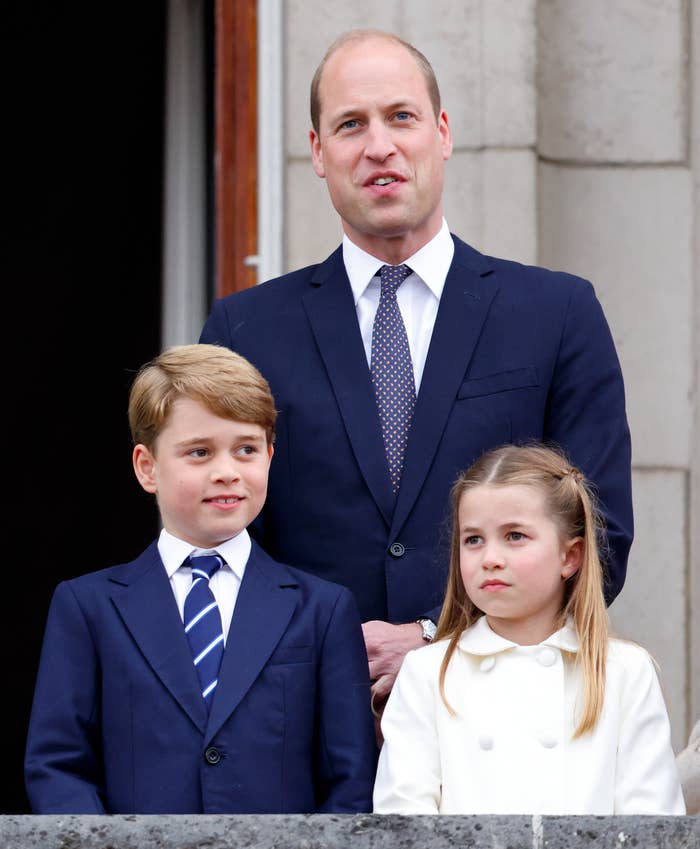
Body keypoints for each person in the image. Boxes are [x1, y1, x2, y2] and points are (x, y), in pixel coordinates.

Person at [199, 28, 633, 720]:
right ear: (317, 151)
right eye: (350, 125)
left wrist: (438, 638)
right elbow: (216, 545)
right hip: (305, 734)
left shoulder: (557, 314)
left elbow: (598, 537)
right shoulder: (245, 330)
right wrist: (336, 650)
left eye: (400, 117)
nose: (379, 146)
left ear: (442, 132)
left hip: (504, 725)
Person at [24, 343, 377, 814]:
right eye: (199, 452)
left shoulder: (323, 609)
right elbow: (58, 766)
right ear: (147, 467)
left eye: (246, 449)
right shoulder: (87, 607)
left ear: (271, 456)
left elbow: (350, 782)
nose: (227, 472)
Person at [372, 443, 684, 815]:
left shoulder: (624, 671)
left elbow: (650, 824)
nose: (490, 558)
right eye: (473, 539)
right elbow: (403, 820)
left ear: (570, 556)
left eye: (515, 536)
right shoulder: (427, 672)